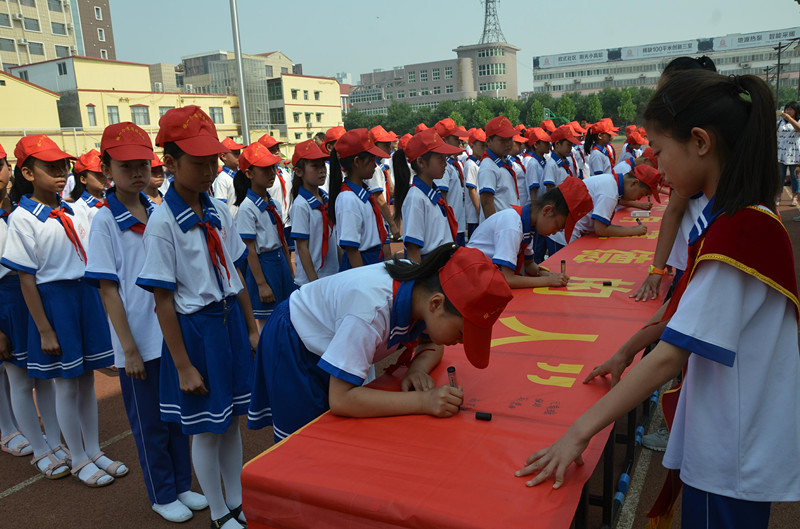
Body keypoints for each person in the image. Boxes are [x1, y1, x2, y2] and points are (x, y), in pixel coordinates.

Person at [517, 70, 800, 529]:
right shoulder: (735, 221)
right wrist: (628, 349)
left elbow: (669, 357)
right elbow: (683, 316)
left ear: (701, 142)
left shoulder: (740, 235)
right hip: (733, 438)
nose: (656, 163)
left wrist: (577, 434)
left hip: (731, 452)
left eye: (661, 149)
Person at [247, 244, 513, 442]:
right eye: (460, 334)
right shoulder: (370, 310)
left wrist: (417, 370)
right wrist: (424, 402)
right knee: (303, 445)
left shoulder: (422, 291)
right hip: (295, 344)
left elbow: (433, 344)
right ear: (436, 304)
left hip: (332, 340)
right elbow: (342, 399)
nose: (458, 343)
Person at [136, 106, 259, 529]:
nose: (209, 170)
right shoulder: (164, 223)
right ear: (169, 163)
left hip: (226, 325)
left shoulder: (219, 211)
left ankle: (238, 501)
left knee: (230, 424)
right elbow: (162, 300)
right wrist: (183, 365)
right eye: (197, 162)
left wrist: (251, 326)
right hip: (196, 331)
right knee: (206, 428)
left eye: (213, 160)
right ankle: (220, 512)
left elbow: (235, 272)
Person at [85, 122, 206, 522]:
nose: (137, 173)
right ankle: (161, 492)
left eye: (143, 165)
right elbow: (108, 290)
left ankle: (182, 484)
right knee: (149, 423)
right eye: (125, 166)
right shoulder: (104, 221)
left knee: (176, 418)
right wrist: (129, 349)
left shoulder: (158, 210)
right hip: (137, 339)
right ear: (106, 171)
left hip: (167, 333)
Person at [1, 135, 126, 488]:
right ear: (26, 172)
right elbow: (27, 279)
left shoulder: (71, 210)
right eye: (49, 167)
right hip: (54, 302)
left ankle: (93, 449)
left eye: (62, 166)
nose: (59, 172)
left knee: (86, 381)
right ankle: (78, 457)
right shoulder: (24, 218)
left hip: (82, 298)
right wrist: (43, 328)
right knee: (65, 385)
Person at [0, 145, 68, 479]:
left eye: (0, 165)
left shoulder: (17, 209)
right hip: (7, 301)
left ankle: (54, 442)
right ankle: (39, 449)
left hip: (33, 295)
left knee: (46, 374)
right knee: (18, 377)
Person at [467, 177, 592, 288]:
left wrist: (547, 274)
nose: (555, 233)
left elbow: (529, 264)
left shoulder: (527, 224)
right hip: (472, 281)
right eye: (558, 226)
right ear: (547, 210)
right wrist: (548, 280)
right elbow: (507, 279)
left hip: (484, 280)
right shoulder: (513, 225)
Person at [232, 142, 295, 329]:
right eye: (264, 169)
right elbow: (249, 249)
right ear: (249, 174)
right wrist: (261, 284)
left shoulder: (273, 203)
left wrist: (289, 270)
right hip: (264, 266)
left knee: (287, 314)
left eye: (273, 167)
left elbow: (281, 239)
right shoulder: (247, 208)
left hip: (280, 263)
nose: (272, 173)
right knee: (269, 322)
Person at [392, 129, 461, 263]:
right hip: (429, 267)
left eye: (445, 158)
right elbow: (413, 249)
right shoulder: (416, 197)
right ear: (421, 162)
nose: (445, 163)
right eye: (440, 158)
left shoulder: (431, 192)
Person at [328, 128, 391, 271]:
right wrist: (363, 280)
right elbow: (352, 249)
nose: (375, 165)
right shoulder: (348, 199)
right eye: (370, 161)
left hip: (371, 260)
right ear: (357, 162)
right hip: (361, 265)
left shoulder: (361, 193)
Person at [289, 140, 338, 286]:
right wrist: (314, 283)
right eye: (315, 166)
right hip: (312, 280)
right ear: (299, 172)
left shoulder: (326, 199)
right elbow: (302, 247)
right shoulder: (301, 205)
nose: (322, 170)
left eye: (323, 165)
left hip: (332, 275)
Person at [432, 119, 470, 246]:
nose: (459, 141)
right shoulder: (444, 167)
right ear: (444, 140)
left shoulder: (452, 164)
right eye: (455, 138)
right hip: (450, 227)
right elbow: (442, 198)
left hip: (456, 224)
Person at [478, 116, 519, 220]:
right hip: (499, 228)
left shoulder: (504, 161)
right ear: (488, 141)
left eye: (510, 138)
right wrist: (495, 228)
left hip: (508, 224)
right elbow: (486, 202)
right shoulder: (488, 166)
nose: (508, 144)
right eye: (502, 140)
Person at [364, 125, 400, 240]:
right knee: (385, 254)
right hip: (378, 220)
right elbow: (378, 198)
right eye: (385, 145)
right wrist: (392, 224)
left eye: (389, 144)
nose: (389, 148)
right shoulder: (373, 168)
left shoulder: (378, 165)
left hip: (380, 219)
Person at [70, 149, 107, 224]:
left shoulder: (110, 199)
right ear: (83, 179)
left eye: (104, 173)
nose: (103, 177)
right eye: (98, 174)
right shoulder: (80, 207)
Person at [213, 137, 245, 217]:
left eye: (239, 153)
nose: (239, 156)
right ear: (224, 156)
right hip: (233, 224)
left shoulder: (242, 175)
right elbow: (221, 207)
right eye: (235, 154)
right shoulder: (222, 179)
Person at [463, 128, 485, 238]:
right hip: (475, 215)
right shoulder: (471, 164)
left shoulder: (480, 163)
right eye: (481, 145)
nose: (484, 148)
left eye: (485, 145)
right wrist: (480, 211)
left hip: (480, 213)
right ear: (471, 145)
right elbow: (472, 190)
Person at [777, 101, 800, 206]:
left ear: (796, 111)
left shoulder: (798, 121)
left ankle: (795, 197)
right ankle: (778, 195)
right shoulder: (780, 123)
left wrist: (790, 119)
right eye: (787, 109)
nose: (788, 111)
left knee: (795, 177)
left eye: (791, 109)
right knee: (780, 176)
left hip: (795, 155)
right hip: (780, 154)